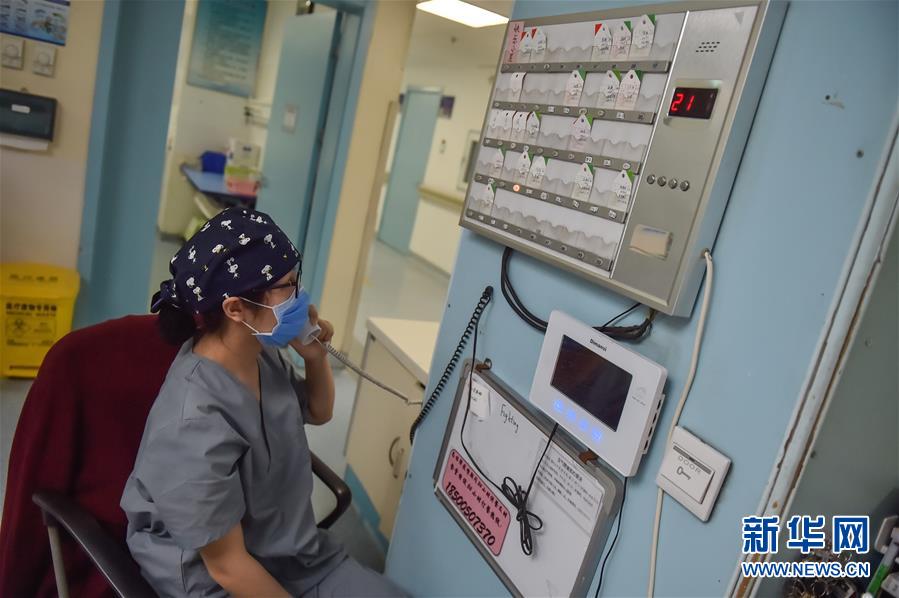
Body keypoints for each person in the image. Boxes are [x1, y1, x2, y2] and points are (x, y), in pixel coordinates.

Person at [120, 208, 405, 597]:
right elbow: (227, 566)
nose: (300, 298)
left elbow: (319, 412)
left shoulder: (261, 353)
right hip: (218, 577)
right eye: (287, 287)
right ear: (235, 308)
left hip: (291, 553)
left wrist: (315, 357)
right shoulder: (193, 420)